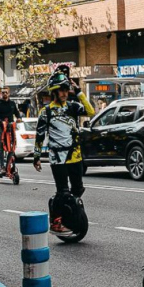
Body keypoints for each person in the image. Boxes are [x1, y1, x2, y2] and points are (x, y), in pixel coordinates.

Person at [33, 73, 96, 235]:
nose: (64, 93)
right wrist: (36, 156)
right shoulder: (46, 111)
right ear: (54, 92)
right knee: (63, 191)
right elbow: (40, 135)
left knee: (78, 189)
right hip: (57, 159)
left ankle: (68, 215)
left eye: (66, 90)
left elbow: (91, 112)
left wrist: (79, 92)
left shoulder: (73, 106)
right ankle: (55, 221)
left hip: (75, 157)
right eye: (61, 90)